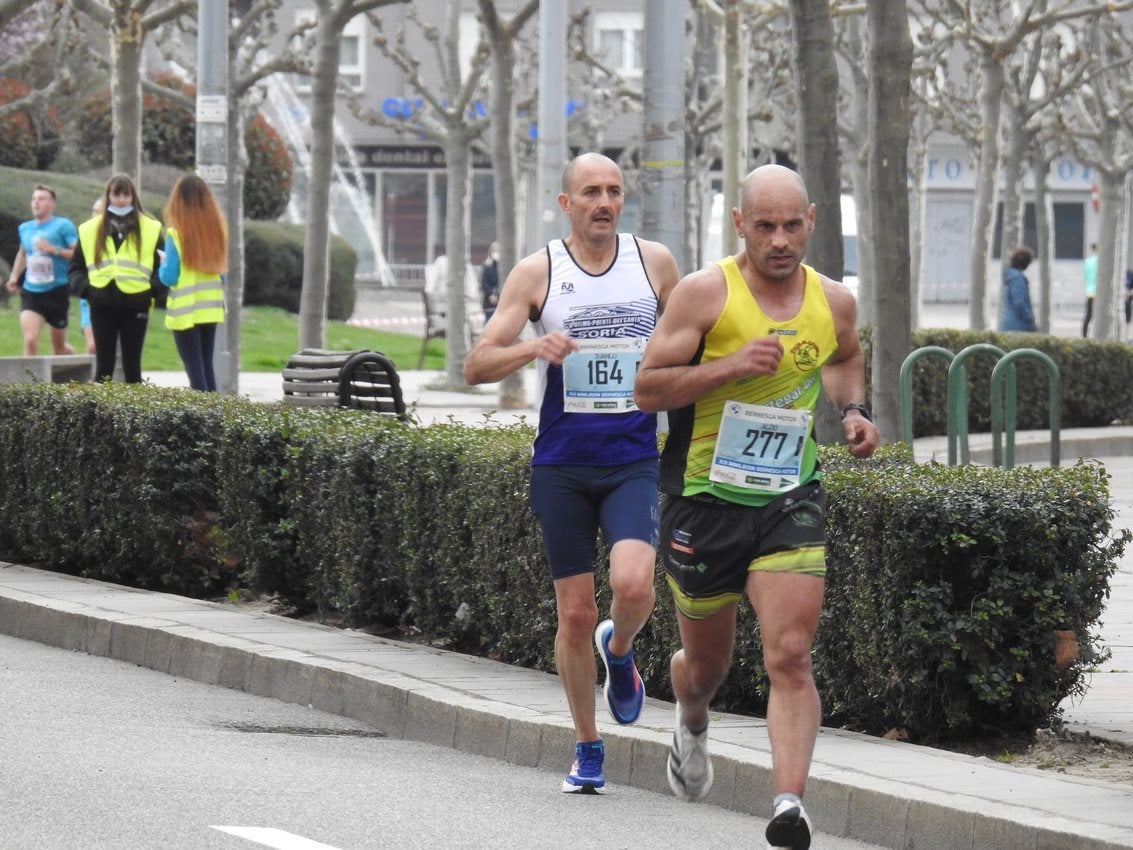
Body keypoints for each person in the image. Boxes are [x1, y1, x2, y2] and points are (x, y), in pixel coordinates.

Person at [634, 164, 878, 850]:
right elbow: (648, 389)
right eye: (764, 226)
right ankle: (691, 718)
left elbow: (841, 356)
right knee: (703, 667)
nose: (779, 240)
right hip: (702, 502)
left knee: (791, 654)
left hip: (786, 497)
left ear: (812, 220)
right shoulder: (704, 293)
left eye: (791, 225)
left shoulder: (832, 300)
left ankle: (788, 805)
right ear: (739, 224)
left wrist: (852, 409)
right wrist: (730, 367)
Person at [463, 152, 679, 795]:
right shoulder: (540, 272)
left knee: (635, 588)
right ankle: (588, 745)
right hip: (561, 465)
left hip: (633, 458)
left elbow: (696, 339)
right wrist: (536, 346)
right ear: (567, 204)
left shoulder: (655, 264)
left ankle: (621, 652)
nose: (605, 202)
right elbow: (477, 364)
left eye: (614, 191)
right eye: (591, 192)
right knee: (575, 612)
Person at [69, 174, 162, 383]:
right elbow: (76, 267)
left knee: (133, 366)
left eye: (126, 194)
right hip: (101, 301)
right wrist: (86, 291)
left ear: (133, 197)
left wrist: (151, 292)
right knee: (103, 367)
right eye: (116, 194)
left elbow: (162, 267)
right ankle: (100, 414)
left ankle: (134, 413)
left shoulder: (151, 227)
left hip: (136, 302)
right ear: (108, 197)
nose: (121, 200)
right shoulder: (89, 229)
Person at [159, 175, 227, 392]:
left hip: (186, 310)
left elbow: (170, 277)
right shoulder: (216, 233)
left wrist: (162, 264)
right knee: (206, 365)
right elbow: (221, 274)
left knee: (194, 369)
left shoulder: (175, 235)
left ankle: (203, 420)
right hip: (211, 308)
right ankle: (216, 415)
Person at [5, 184, 79, 356]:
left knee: (59, 349)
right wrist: (14, 276)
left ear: (52, 204)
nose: (36, 203)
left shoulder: (63, 225)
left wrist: (53, 250)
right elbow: (23, 253)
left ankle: (72, 359)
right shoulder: (25, 228)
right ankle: (29, 384)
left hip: (57, 291)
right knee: (30, 339)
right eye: (34, 199)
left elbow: (77, 253)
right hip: (32, 292)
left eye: (41, 199)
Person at [998, 245, 1037, 332]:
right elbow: (1019, 302)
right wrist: (1030, 318)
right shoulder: (1017, 278)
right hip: (1019, 326)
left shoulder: (1011, 276)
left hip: (1008, 324)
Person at [479, 241, 500, 322]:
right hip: (489, 300)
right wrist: (490, 294)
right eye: (494, 251)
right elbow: (484, 282)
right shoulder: (487, 266)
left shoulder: (502, 267)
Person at [1082, 242, 1097, 338]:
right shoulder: (1102, 261)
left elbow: (1086, 277)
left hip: (1090, 292)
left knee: (1088, 315)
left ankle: (1084, 334)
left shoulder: (1087, 261)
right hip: (1099, 293)